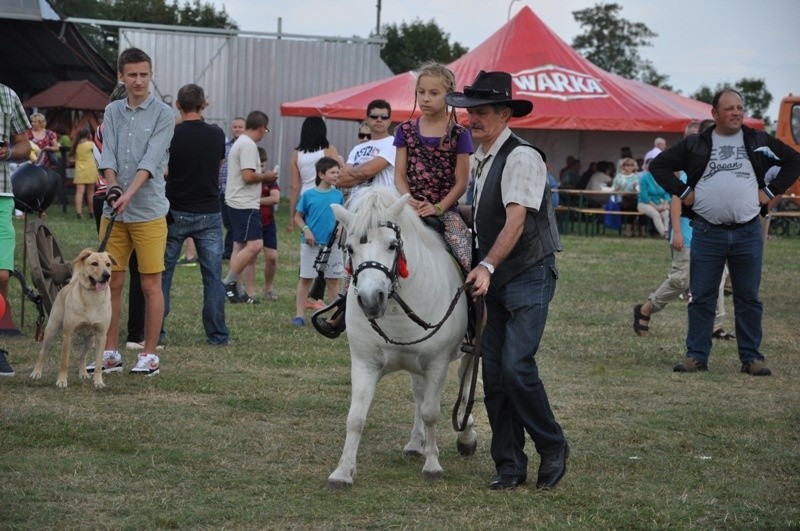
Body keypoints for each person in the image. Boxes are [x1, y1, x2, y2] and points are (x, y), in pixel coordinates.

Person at [447, 70, 568, 490]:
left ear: (503, 113)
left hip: (528, 274)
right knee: (495, 376)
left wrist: (487, 266)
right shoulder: (483, 157)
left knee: (516, 367)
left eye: (480, 112)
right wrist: (439, 211)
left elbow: (516, 221)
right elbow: (482, 215)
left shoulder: (521, 157)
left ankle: (552, 447)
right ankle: (510, 466)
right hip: (496, 279)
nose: (471, 119)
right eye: (469, 112)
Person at [650, 88, 800, 376]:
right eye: (729, 108)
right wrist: (683, 192)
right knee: (702, 297)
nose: (736, 112)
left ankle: (752, 358)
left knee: (748, 298)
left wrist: (770, 191)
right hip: (707, 232)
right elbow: (659, 166)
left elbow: (794, 161)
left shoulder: (758, 141)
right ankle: (696, 356)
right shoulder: (696, 144)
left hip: (747, 232)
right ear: (714, 114)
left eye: (740, 108)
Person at [92, 47, 175, 377]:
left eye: (144, 74)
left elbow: (151, 160)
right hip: (115, 212)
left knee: (150, 285)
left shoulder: (164, 114)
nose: (138, 80)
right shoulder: (112, 110)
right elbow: (107, 154)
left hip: (150, 211)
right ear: (120, 77)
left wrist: (128, 193)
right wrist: (113, 189)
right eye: (132, 75)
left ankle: (149, 354)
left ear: (151, 74)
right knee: (109, 283)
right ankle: (110, 352)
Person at [311, 99, 398, 338]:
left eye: (383, 116)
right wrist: (357, 173)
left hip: (382, 212)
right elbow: (341, 178)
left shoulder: (393, 143)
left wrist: (356, 173)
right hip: (358, 213)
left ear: (390, 120)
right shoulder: (359, 149)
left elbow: (364, 172)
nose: (378, 120)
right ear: (367, 119)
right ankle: (343, 310)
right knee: (354, 264)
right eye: (374, 116)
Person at [161, 83, 228, 346]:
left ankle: (157, 331)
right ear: (205, 104)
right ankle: (217, 334)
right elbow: (218, 165)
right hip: (209, 212)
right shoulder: (216, 134)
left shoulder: (171, 134)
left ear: (177, 105)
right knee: (212, 277)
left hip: (174, 209)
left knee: (163, 274)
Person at [394, 61, 473, 271]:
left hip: (444, 210)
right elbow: (399, 175)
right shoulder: (404, 130)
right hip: (408, 206)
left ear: (448, 94)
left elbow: (462, 182)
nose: (425, 98)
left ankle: (474, 301)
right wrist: (408, 199)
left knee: (465, 252)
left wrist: (438, 207)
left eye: (434, 93)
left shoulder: (460, 134)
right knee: (371, 238)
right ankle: (347, 299)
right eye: (421, 92)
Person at [222, 110, 278, 303]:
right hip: (244, 203)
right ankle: (228, 282)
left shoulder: (241, 143)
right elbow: (248, 177)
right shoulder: (248, 145)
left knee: (240, 245)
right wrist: (267, 177)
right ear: (262, 127)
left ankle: (235, 289)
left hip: (235, 200)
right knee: (255, 245)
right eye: (266, 129)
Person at [0, 83, 32, 377]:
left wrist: (8, 151)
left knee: (1, 274)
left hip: (1, 195)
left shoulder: (8, 95)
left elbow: (24, 146)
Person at [292, 157, 344, 326]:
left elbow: (342, 217)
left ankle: (337, 316)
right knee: (306, 279)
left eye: (338, 172)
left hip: (332, 245)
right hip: (311, 245)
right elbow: (298, 217)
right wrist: (306, 230)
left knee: (333, 281)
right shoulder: (308, 195)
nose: (337, 175)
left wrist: (341, 229)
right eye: (333, 172)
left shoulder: (338, 195)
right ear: (322, 174)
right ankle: (299, 315)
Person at [288, 116, 340, 233]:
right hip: (328, 194)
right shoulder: (329, 150)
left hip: (307, 197)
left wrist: (292, 217)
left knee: (308, 232)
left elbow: (294, 187)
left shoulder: (296, 154)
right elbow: (338, 174)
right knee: (329, 233)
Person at [220, 117, 245, 260]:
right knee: (227, 222)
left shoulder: (246, 146)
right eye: (235, 127)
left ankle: (230, 251)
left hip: (236, 191)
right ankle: (230, 249)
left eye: (240, 127)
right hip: (223, 189)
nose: (237, 129)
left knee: (235, 222)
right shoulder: (226, 146)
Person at [258, 147, 281, 302]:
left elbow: (275, 198)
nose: (261, 168)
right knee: (250, 257)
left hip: (267, 222)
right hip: (251, 220)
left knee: (272, 257)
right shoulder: (247, 177)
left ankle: (268, 289)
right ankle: (246, 288)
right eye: (258, 165)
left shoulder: (270, 179)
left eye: (263, 165)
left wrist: (255, 201)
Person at [70, 127, 97, 219]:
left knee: (79, 192)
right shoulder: (91, 144)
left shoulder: (75, 145)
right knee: (91, 193)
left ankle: (78, 213)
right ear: (88, 135)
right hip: (90, 169)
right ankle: (91, 212)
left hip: (79, 170)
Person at [636, 169, 671, 237]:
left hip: (659, 203)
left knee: (666, 213)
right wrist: (656, 207)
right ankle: (664, 234)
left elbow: (666, 194)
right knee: (655, 214)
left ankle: (667, 233)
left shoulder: (662, 178)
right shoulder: (644, 179)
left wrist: (665, 205)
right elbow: (644, 197)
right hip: (644, 203)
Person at [613, 157, 640, 237]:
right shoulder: (618, 177)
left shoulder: (635, 177)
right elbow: (613, 190)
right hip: (621, 200)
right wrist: (619, 188)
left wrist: (635, 188)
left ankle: (629, 228)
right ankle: (629, 228)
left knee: (635, 204)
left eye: (631, 165)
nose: (629, 167)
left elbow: (638, 191)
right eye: (627, 165)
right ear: (623, 167)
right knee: (633, 205)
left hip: (632, 199)